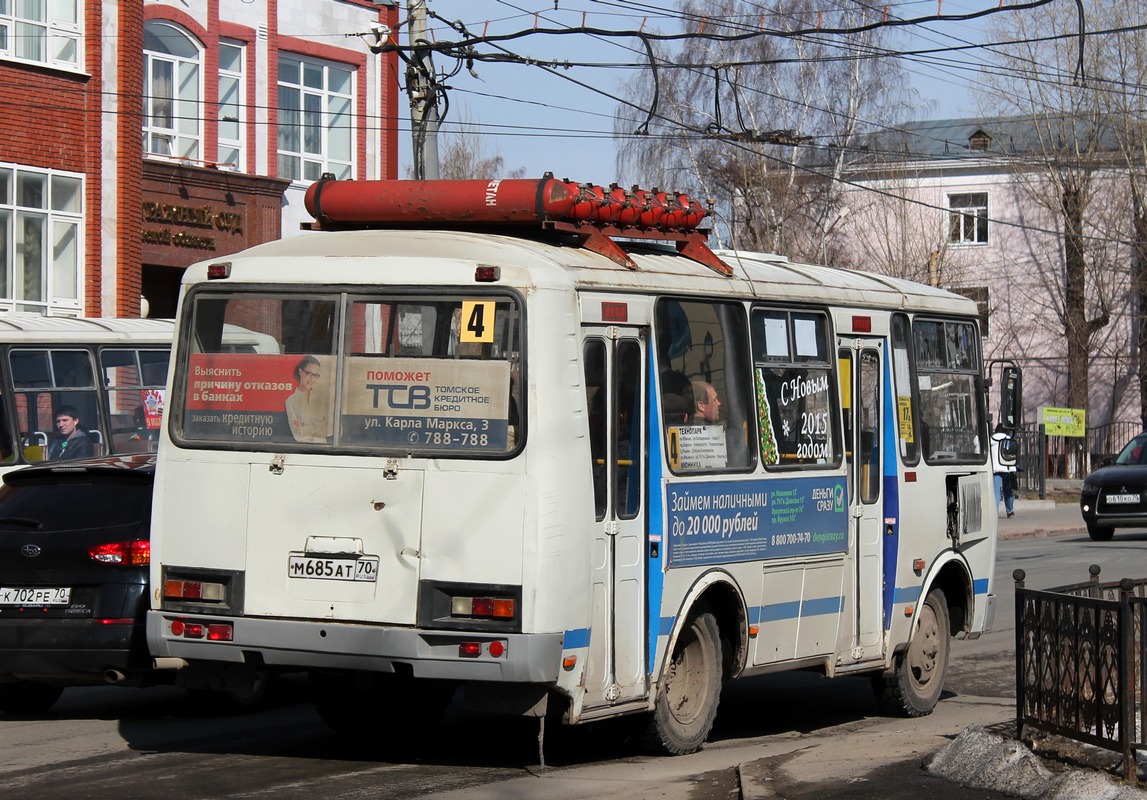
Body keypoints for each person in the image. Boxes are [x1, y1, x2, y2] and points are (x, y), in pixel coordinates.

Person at [286, 355, 331, 443]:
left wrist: (304, 428)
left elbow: (333, 429)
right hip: (302, 449)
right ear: (300, 372)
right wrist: (318, 426)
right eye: (308, 374)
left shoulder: (322, 398)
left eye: (315, 375)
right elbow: (297, 434)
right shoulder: (290, 401)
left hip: (324, 449)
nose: (312, 379)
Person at [990, 422, 1017, 517]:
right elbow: (1013, 454)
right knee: (1008, 490)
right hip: (1007, 468)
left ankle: (994, 512)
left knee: (996, 491)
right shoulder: (1009, 440)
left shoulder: (991, 440)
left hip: (995, 469)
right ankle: (1010, 511)